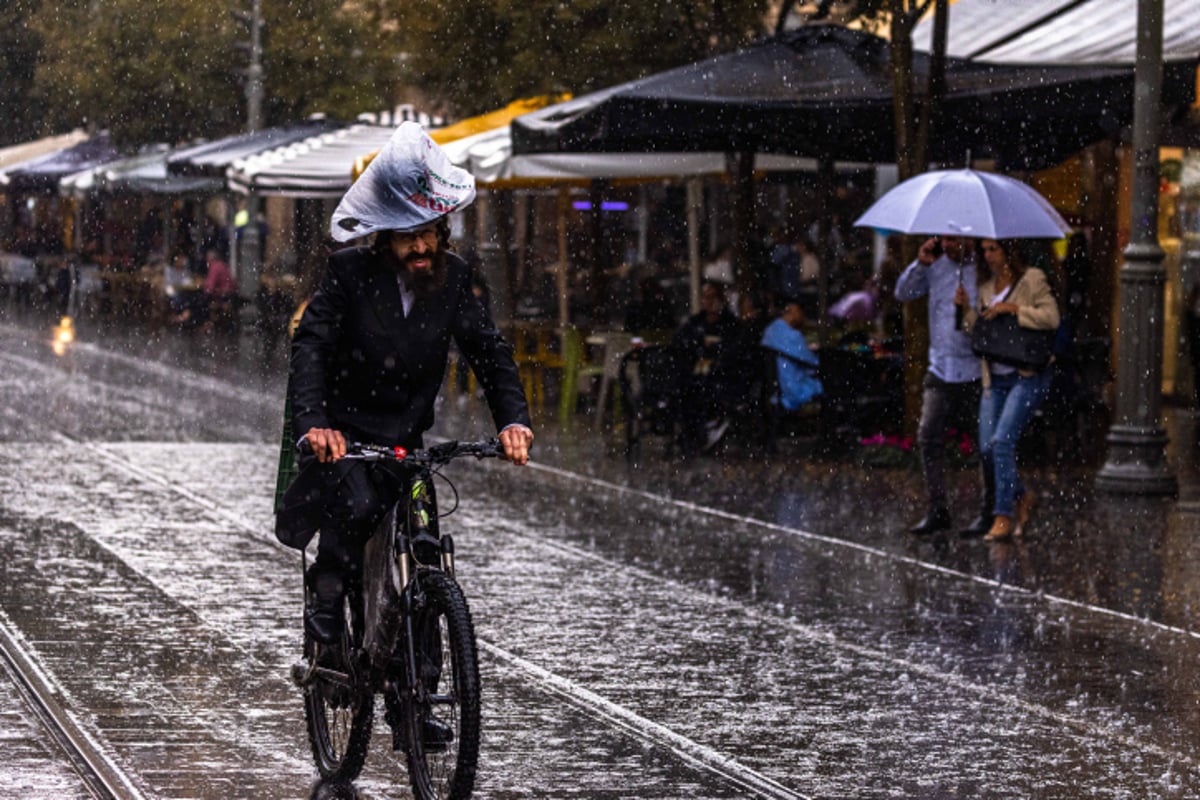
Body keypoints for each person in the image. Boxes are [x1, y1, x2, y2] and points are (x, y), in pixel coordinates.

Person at [275, 123, 534, 652]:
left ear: (442, 231)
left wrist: (513, 420)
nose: (420, 245)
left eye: (429, 232)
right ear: (385, 238)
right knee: (356, 513)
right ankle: (326, 604)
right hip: (346, 438)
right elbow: (312, 347)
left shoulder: (455, 278)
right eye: (406, 235)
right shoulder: (348, 273)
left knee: (425, 554)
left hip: (406, 444)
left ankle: (424, 694)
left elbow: (489, 351)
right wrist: (316, 425)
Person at [960, 238, 1060, 542]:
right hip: (995, 376)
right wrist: (966, 310)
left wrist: (1015, 308)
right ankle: (1021, 495)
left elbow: (1051, 318)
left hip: (1026, 374)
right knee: (988, 448)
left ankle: (1002, 515)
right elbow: (978, 332)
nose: (989, 256)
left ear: (1008, 251)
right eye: (985, 250)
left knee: (1003, 441)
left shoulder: (1032, 279)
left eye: (994, 249)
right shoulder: (985, 286)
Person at [894, 234, 986, 536]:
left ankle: (991, 509)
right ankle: (937, 508)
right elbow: (903, 292)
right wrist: (920, 264)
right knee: (929, 437)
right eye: (943, 239)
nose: (947, 245)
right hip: (941, 366)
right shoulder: (935, 267)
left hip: (973, 368)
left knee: (985, 442)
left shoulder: (983, 270)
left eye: (954, 240)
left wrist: (970, 307)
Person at [761, 298, 822, 410]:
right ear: (793, 310)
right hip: (792, 389)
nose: (802, 317)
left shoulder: (769, 330)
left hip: (775, 389)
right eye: (800, 312)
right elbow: (813, 363)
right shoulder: (793, 335)